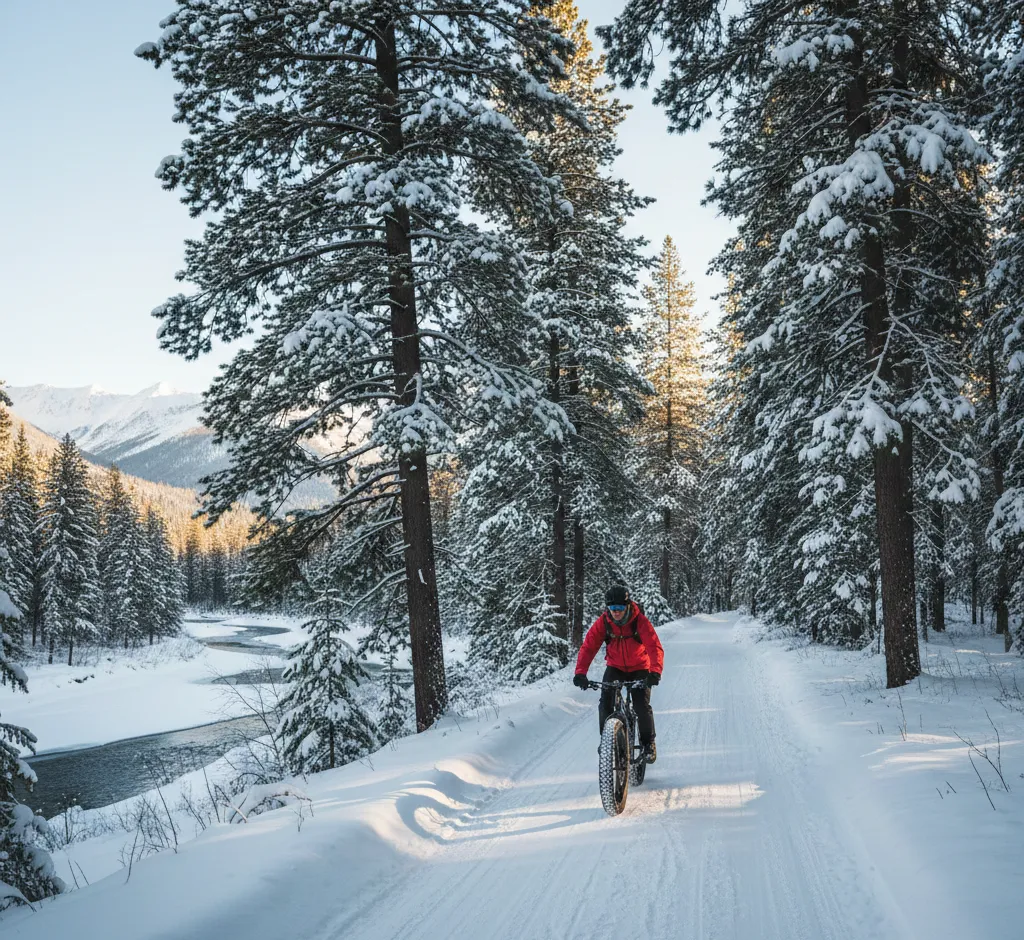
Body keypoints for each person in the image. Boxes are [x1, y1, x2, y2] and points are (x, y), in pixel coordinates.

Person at [573, 584, 664, 763]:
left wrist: (655, 672)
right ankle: (607, 741)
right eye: (612, 608)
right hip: (616, 667)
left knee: (640, 705)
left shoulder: (639, 622)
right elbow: (589, 646)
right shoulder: (604, 622)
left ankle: (648, 744)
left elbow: (654, 647)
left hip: (640, 667)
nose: (616, 612)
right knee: (605, 702)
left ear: (627, 605)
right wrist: (580, 673)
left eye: (620, 608)